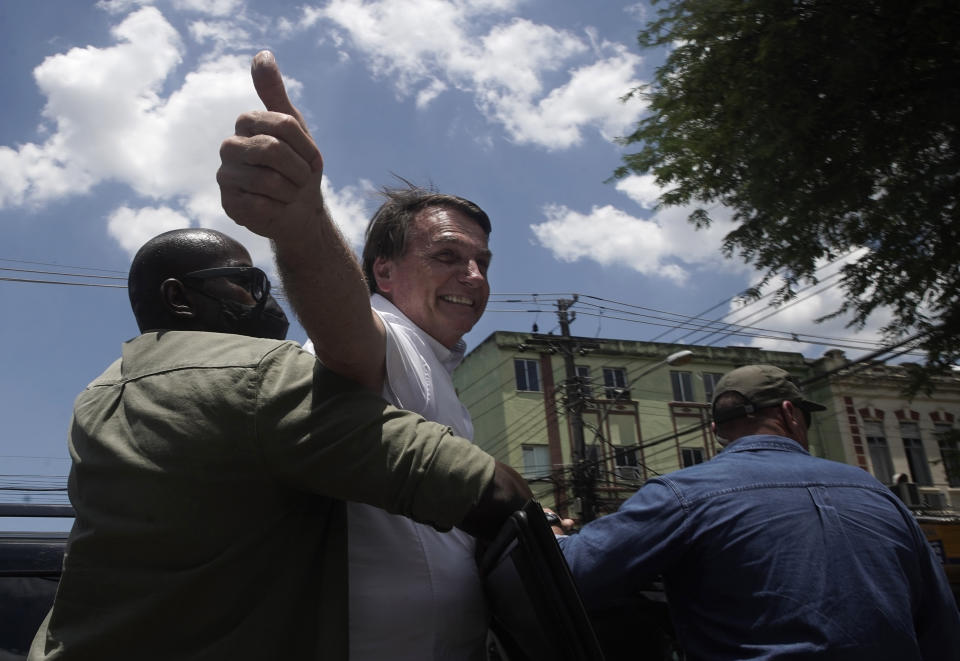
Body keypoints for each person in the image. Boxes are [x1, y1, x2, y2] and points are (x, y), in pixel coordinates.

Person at [28, 228, 531, 661]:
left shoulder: (98, 395)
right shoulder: (260, 374)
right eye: (248, 284)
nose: (270, 302)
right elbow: (484, 490)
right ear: (180, 298)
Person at [218, 52, 496, 659]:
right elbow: (346, 334)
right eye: (448, 256)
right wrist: (302, 224)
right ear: (385, 273)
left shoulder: (438, 369)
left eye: (482, 262)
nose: (473, 276)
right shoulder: (389, 340)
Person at [558, 364, 960, 660]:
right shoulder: (876, 491)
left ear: (715, 429)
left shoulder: (682, 494)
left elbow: (570, 573)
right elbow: (942, 626)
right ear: (789, 413)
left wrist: (552, 530)